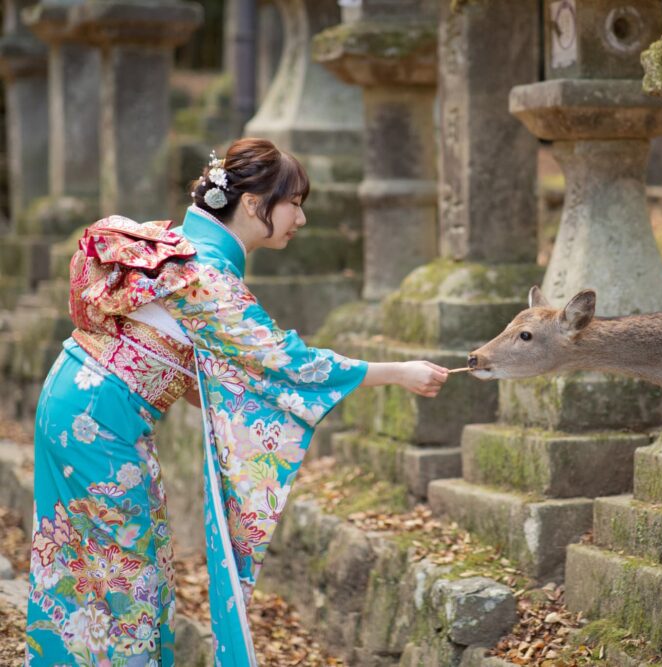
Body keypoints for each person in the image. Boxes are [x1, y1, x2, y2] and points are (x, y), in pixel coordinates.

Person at [24, 138, 449, 666]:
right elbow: (287, 362)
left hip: (80, 404)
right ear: (253, 204)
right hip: (97, 422)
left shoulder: (188, 251)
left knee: (95, 567)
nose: (302, 218)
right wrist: (399, 372)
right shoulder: (208, 278)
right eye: (294, 202)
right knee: (125, 576)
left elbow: (226, 368)